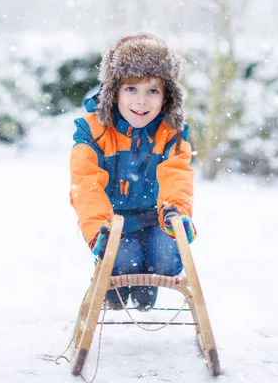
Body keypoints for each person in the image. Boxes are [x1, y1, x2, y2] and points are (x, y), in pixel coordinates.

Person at [69, 33, 197, 311]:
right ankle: (117, 285)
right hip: (114, 222)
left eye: (152, 91)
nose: (141, 101)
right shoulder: (93, 132)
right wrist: (99, 230)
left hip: (157, 218)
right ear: (113, 91)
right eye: (131, 89)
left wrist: (176, 211)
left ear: (167, 97)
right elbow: (86, 185)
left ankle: (146, 284)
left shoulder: (170, 134)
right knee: (122, 259)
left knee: (166, 258)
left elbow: (177, 175)